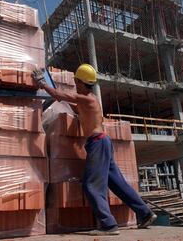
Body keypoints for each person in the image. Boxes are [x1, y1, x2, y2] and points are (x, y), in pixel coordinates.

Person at [32, 64, 157, 236]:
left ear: (80, 82)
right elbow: (72, 105)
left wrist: (42, 83)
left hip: (98, 143)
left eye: (76, 81)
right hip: (102, 143)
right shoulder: (86, 100)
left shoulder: (88, 98)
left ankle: (108, 225)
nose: (75, 84)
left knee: (91, 186)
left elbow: (60, 95)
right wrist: (60, 100)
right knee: (118, 184)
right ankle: (145, 213)